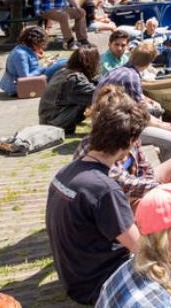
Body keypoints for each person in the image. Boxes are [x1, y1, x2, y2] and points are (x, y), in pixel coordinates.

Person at [46, 85, 149, 304]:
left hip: (77, 281)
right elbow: (144, 251)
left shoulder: (67, 172)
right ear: (130, 142)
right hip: (101, 285)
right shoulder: (105, 189)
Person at [95, 42, 171, 161]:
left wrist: (147, 99)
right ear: (149, 62)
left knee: (156, 107)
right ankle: (163, 174)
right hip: (116, 130)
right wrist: (161, 125)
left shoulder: (118, 71)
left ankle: (157, 151)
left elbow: (132, 100)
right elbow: (139, 113)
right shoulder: (132, 78)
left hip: (102, 123)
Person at [38, 44, 100, 133]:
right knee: (102, 99)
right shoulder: (75, 80)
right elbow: (98, 96)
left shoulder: (63, 71)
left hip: (47, 119)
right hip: (55, 125)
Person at [0, 25, 66, 96]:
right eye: (41, 43)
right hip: (18, 87)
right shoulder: (21, 54)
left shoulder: (24, 48)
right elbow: (25, 78)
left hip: (27, 80)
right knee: (65, 62)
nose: (42, 46)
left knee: (61, 61)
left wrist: (44, 62)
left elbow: (30, 67)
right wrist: (44, 66)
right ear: (34, 42)